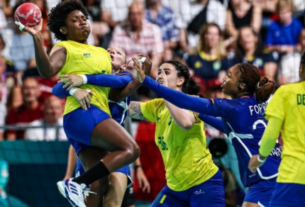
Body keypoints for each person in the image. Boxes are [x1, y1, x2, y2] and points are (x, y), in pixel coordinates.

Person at [15, 0, 140, 206]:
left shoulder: (102, 52)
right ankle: (76, 183)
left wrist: (138, 81)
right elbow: (47, 72)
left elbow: (114, 94)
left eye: (84, 18)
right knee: (131, 149)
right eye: (75, 20)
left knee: (99, 183)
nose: (82, 22)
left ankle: (79, 184)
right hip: (83, 114)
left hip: (94, 117)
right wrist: (38, 40)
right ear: (63, 29)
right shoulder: (64, 47)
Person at [134, 62, 282, 207]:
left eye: (229, 76)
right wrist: (201, 115)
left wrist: (147, 81)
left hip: (265, 177)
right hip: (275, 170)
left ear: (241, 86)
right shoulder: (253, 103)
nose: (224, 78)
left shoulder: (233, 107)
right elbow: (228, 129)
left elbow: (185, 101)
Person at [53, 46, 151, 207]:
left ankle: (78, 183)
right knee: (92, 200)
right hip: (92, 148)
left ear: (125, 65)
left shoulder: (123, 76)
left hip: (117, 151)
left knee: (113, 204)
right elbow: (57, 88)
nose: (112, 53)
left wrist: (83, 78)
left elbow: (122, 84)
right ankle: (76, 183)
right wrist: (74, 89)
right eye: (108, 51)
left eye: (118, 52)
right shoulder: (92, 85)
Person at [128, 60, 225, 206]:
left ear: (180, 80)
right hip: (175, 187)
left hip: (203, 182)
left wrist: (164, 90)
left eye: (166, 72)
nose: (161, 75)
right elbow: (125, 108)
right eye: (159, 72)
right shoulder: (157, 106)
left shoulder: (194, 101)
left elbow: (186, 123)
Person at [248, 52, 305, 206]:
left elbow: (271, 134)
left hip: (294, 174)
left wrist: (259, 159)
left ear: (301, 69)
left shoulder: (286, 93)